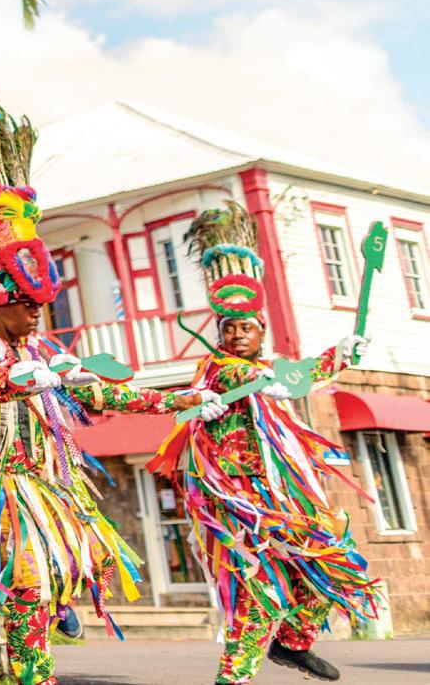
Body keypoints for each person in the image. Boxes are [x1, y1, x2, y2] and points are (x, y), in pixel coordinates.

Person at [0, 95, 203, 685]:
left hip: (45, 486)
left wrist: (173, 401)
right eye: (28, 304)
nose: (37, 314)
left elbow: (100, 395)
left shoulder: (42, 350)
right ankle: (30, 670)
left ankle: (48, 614)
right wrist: (25, 377)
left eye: (42, 304)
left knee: (82, 559)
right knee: (27, 581)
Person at [153, 205, 374, 684]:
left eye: (245, 328)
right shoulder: (218, 369)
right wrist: (311, 368)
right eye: (228, 328)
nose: (235, 336)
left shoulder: (270, 366)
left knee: (333, 563)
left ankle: (292, 643)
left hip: (282, 499)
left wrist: (341, 354)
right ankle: (233, 679)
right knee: (255, 595)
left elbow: (290, 376)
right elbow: (259, 378)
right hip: (238, 503)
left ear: (261, 332)